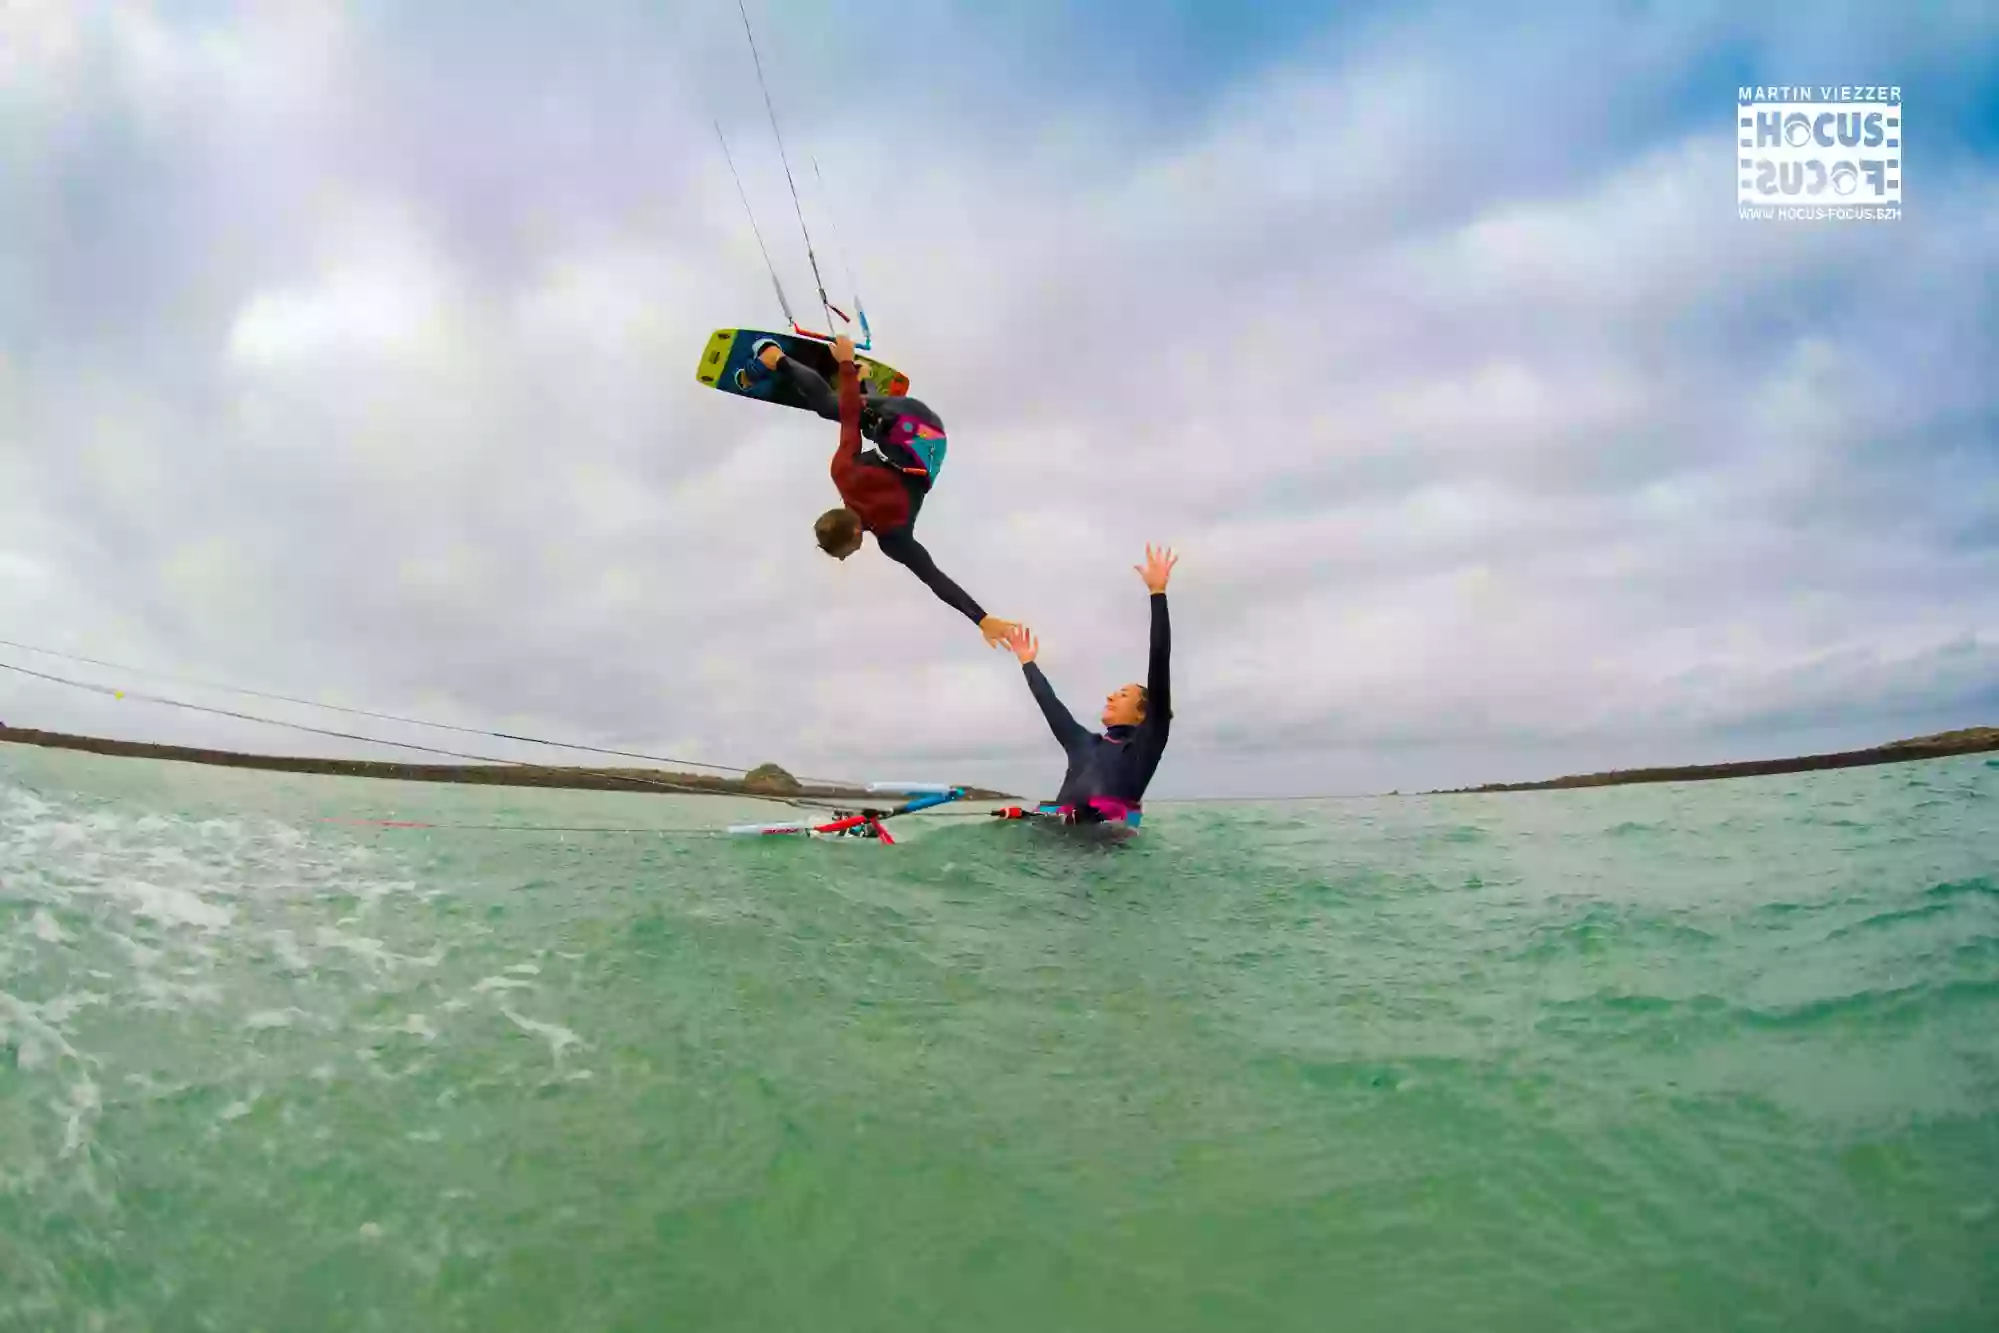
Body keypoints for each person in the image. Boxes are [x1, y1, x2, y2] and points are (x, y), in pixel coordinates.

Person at [754, 335, 1015, 648]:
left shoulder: (893, 539)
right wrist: (846, 365)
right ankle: (775, 357)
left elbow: (934, 578)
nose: (852, 553)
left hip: (932, 436)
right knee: (835, 410)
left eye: (848, 551)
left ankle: (853, 383)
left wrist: (982, 619)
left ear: (853, 532)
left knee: (855, 427)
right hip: (907, 414)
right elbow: (848, 417)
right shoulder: (842, 474)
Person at [998, 544, 1176, 827]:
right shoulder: (1082, 743)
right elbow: (1050, 705)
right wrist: (1027, 662)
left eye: (1123, 694)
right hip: (1049, 845)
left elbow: (1159, 658)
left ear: (1143, 711)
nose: (1110, 696)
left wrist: (1157, 594)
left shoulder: (1144, 746)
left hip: (1099, 852)